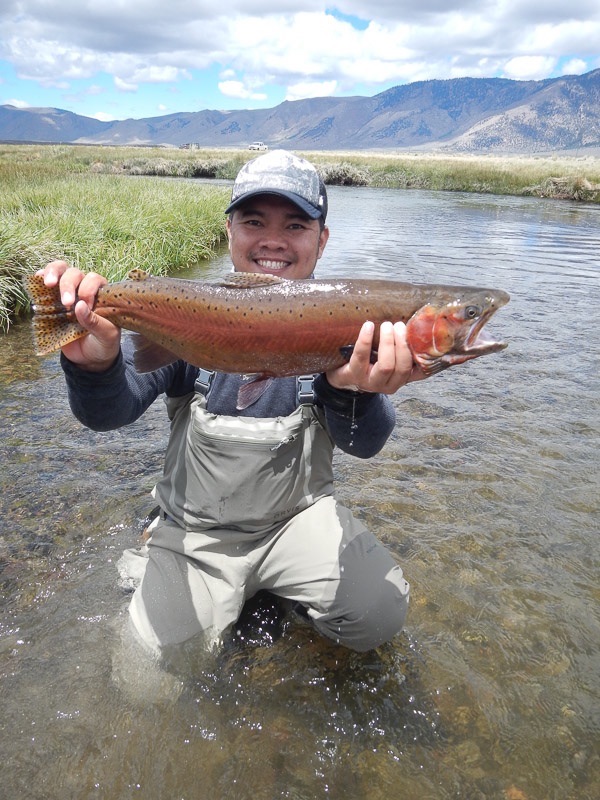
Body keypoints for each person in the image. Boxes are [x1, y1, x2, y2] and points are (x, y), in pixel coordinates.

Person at [39, 150, 425, 655]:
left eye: (295, 224)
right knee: (149, 675)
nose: (272, 239)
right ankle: (172, 549)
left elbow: (365, 444)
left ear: (322, 239)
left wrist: (353, 390)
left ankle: (269, 590)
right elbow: (109, 414)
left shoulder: (350, 328)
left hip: (295, 524)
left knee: (380, 611)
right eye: (253, 221)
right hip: (198, 532)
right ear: (228, 230)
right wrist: (94, 364)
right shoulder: (194, 317)